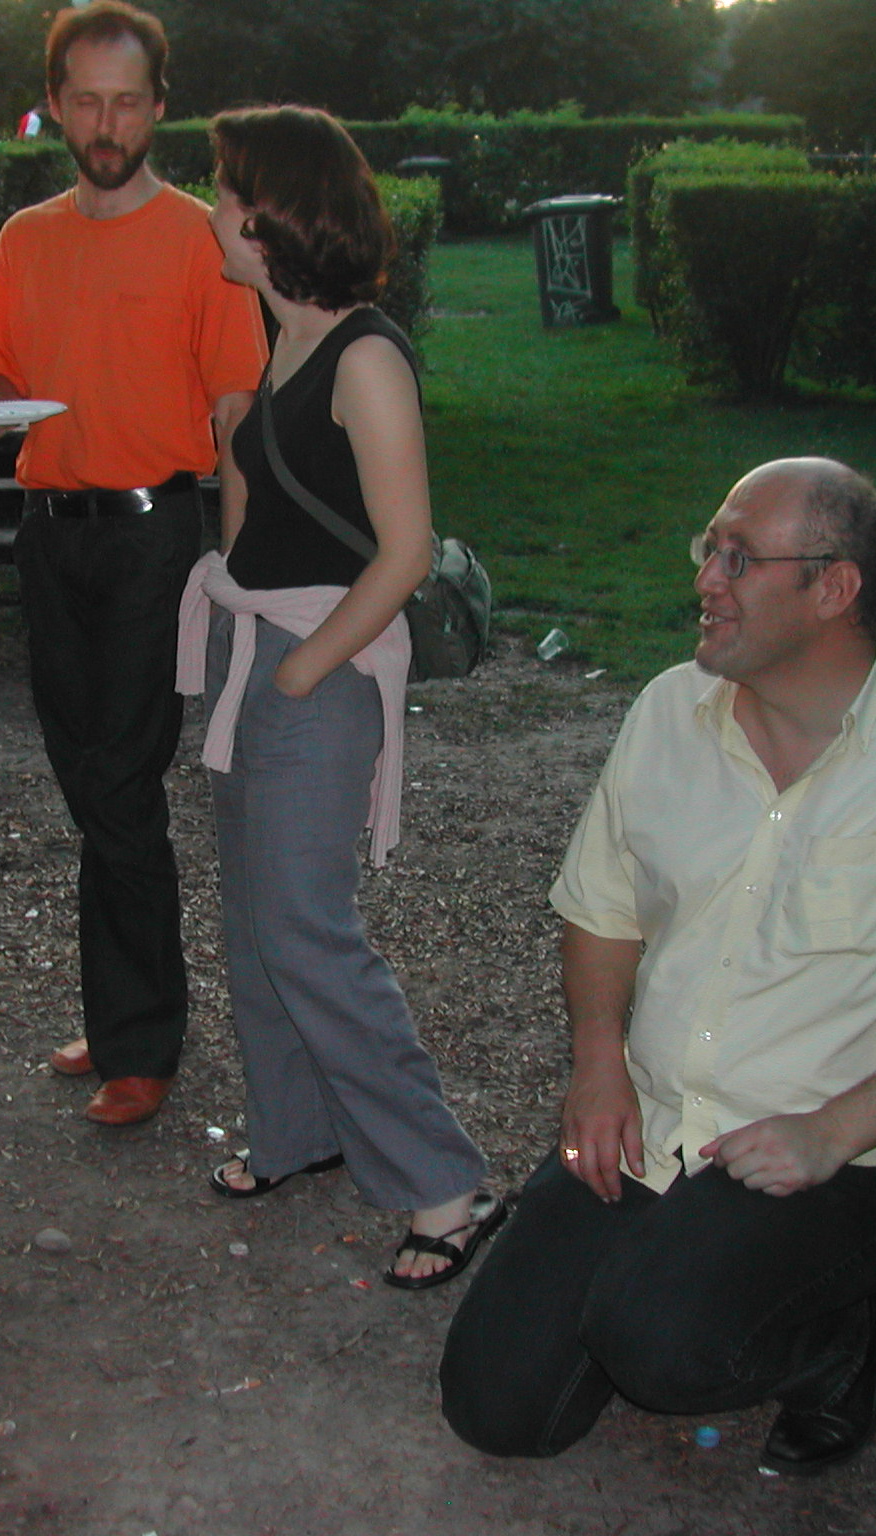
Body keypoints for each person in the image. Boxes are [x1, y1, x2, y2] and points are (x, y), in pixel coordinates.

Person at [439, 459, 876, 1474]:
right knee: (495, 1410)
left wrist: (830, 1131)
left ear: (834, 589)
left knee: (662, 1345)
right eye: (710, 549)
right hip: (655, 1122)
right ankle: (664, 1280)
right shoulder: (669, 710)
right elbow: (601, 909)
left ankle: (838, 1344)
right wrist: (598, 1062)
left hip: (843, 1152)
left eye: (739, 559)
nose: (706, 578)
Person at [172, 106, 502, 1288]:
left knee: (308, 932)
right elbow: (256, 531)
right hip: (255, 654)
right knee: (253, 923)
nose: (210, 210)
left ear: (272, 217)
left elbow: (403, 552)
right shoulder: (284, 340)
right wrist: (231, 458)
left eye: (224, 192)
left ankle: (444, 1182)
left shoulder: (363, 355)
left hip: (316, 667)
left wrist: (303, 669)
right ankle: (296, 1131)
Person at [0, 0, 268, 1126]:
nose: (106, 123)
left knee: (122, 780)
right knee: (87, 777)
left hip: (152, 536)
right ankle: (121, 1008)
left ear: (158, 108)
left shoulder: (197, 240)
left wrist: (239, 564)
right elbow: (1, 374)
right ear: (55, 104)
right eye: (86, 101)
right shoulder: (24, 239)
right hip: (48, 532)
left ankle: (142, 1043)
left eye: (126, 102)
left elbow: (235, 411)